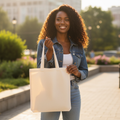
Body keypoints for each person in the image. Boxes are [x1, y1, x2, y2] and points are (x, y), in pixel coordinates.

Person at [37, 4, 88, 120]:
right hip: (51, 91)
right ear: (53, 22)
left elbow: (85, 70)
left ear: (72, 22)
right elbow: (41, 69)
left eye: (66, 20)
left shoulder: (78, 45)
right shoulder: (44, 43)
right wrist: (50, 51)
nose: (62, 23)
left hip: (73, 91)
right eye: (58, 19)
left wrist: (77, 72)